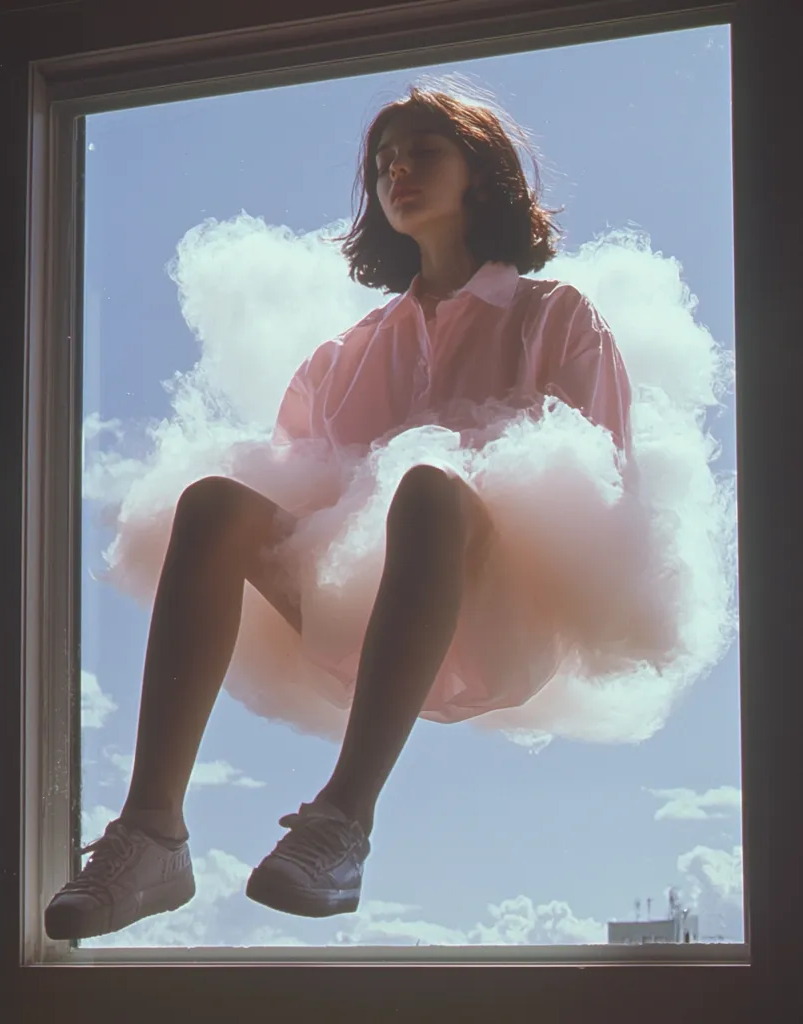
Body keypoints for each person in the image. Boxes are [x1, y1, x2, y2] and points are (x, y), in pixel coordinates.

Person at [45, 84, 641, 940]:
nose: (397, 169)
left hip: (504, 620)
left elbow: (601, 505)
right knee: (214, 504)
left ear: (481, 172)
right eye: (384, 159)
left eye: (423, 150)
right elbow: (298, 496)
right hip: (360, 626)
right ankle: (151, 836)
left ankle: (341, 822)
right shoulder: (345, 357)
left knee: (431, 486)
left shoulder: (556, 317)